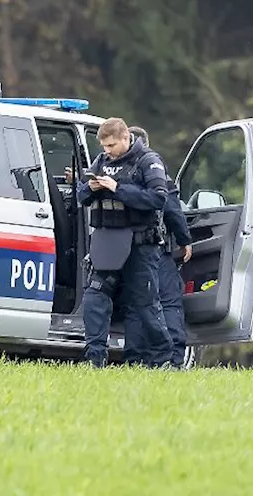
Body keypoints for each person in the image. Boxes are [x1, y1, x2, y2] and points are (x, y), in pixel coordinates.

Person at [77, 117, 173, 368]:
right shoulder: (101, 162)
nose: (107, 151)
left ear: (125, 138)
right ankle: (94, 358)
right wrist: (92, 187)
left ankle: (163, 359)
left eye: (111, 146)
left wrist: (118, 188)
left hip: (141, 244)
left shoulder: (148, 161)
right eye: (104, 147)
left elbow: (158, 199)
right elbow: (80, 195)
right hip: (107, 241)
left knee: (145, 304)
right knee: (94, 296)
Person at [128, 126, 193, 368]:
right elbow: (172, 210)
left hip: (125, 251)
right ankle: (173, 359)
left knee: (137, 304)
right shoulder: (153, 168)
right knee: (168, 302)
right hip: (156, 248)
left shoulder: (115, 170)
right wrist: (185, 240)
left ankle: (134, 358)